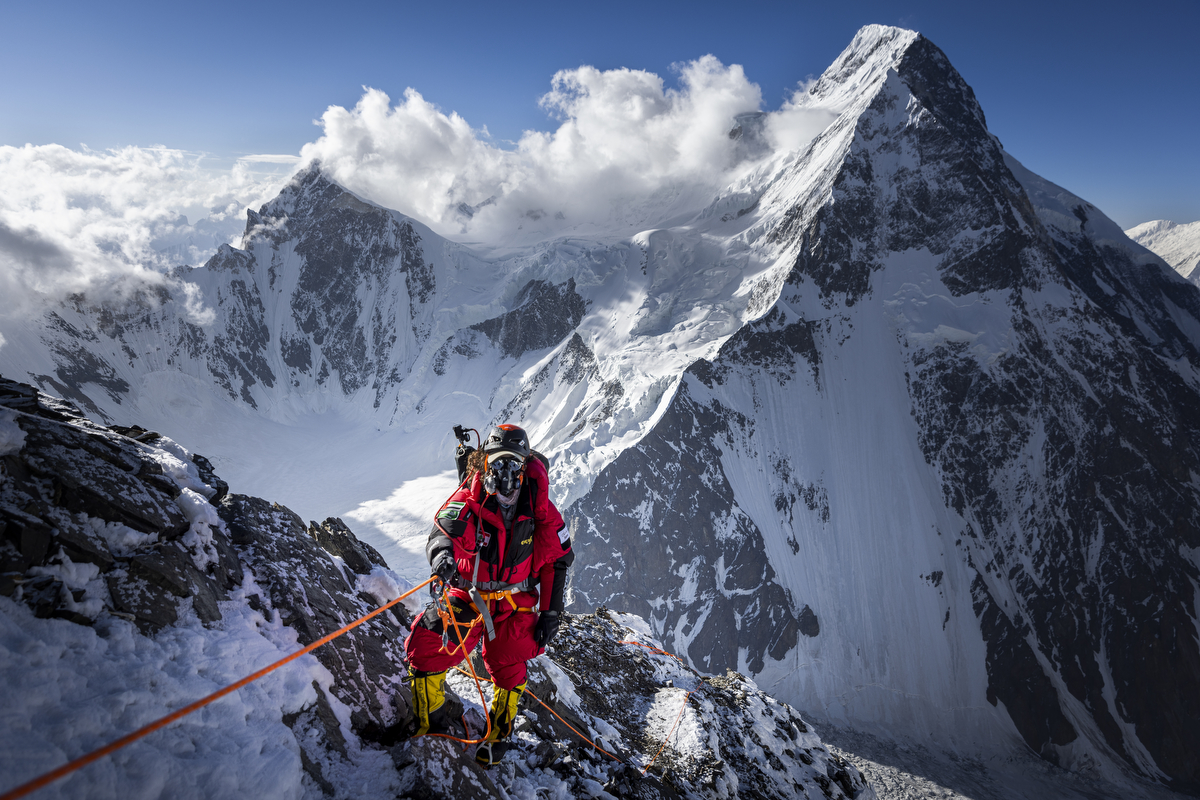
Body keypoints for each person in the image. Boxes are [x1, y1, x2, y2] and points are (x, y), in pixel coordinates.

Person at [405, 423, 574, 766]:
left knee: (509, 660)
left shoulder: (540, 511)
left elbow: (556, 562)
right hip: (468, 594)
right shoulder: (470, 496)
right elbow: (445, 531)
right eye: (498, 463)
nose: (505, 472)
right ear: (485, 464)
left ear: (525, 467)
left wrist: (551, 614)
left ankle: (499, 734)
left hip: (514, 604)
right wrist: (442, 559)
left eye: (513, 463)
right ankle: (433, 724)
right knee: (428, 643)